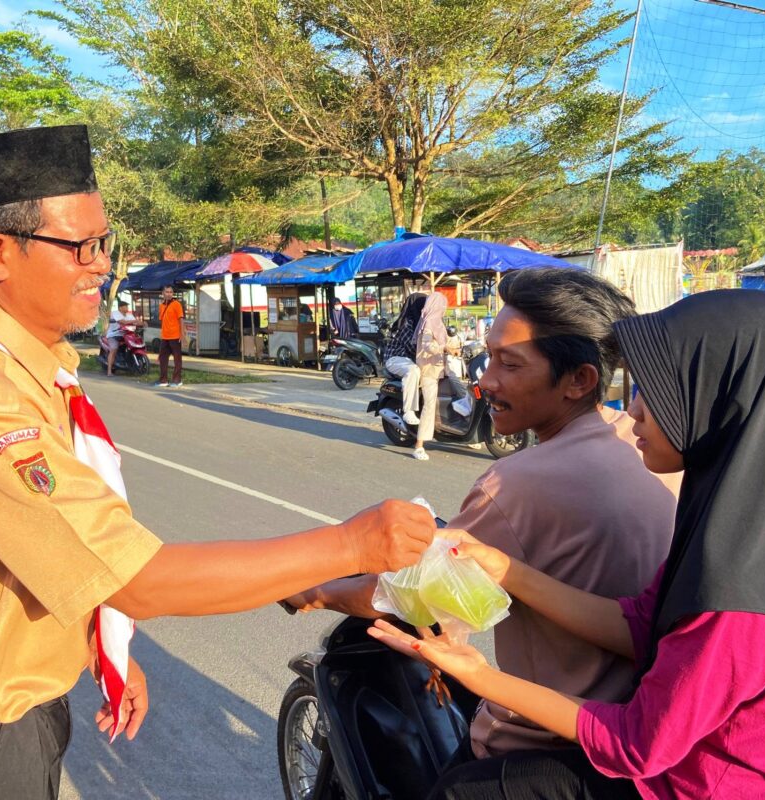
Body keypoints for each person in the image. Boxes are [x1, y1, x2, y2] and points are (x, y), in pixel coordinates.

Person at [0, 125, 436, 800]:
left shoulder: (26, 363)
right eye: (82, 247)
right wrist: (350, 545)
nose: (102, 266)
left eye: (105, 243)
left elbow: (65, 548)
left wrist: (105, 638)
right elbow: (136, 579)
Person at [371, 289, 765, 800]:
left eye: (655, 391)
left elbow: (637, 745)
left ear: (716, 398)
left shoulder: (750, 586)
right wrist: (506, 569)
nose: (631, 411)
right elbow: (641, 624)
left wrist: (479, 674)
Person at [290, 268, 678, 772]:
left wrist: (314, 590)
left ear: (579, 380)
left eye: (509, 364)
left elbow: (408, 597)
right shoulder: (644, 443)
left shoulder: (517, 482)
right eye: (488, 356)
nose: (485, 380)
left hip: (538, 742)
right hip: (646, 723)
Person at [411, 293, 450, 460]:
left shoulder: (438, 323)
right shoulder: (428, 323)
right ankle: (419, 445)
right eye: (442, 304)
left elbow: (447, 341)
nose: (444, 308)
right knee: (429, 404)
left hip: (441, 368)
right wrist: (443, 348)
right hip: (428, 370)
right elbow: (427, 345)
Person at [383, 292, 428, 425]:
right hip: (395, 359)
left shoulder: (420, 322)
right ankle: (409, 411)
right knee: (413, 370)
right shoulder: (406, 324)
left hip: (410, 359)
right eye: (423, 305)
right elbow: (414, 347)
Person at [157, 284, 184, 387]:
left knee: (177, 360)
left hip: (175, 336)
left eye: (171, 292)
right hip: (165, 337)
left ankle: (177, 380)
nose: (169, 294)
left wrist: (182, 334)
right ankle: (163, 380)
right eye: (167, 292)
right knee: (163, 359)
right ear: (163, 293)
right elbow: (163, 321)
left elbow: (181, 320)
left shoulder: (177, 304)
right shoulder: (161, 306)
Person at [104, 299, 139, 376]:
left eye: (127, 306)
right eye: (125, 306)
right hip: (113, 335)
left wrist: (143, 323)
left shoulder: (129, 315)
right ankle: (109, 371)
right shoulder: (115, 313)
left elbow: (136, 322)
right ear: (120, 308)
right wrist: (134, 321)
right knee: (113, 349)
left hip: (126, 334)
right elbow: (123, 322)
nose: (127, 308)